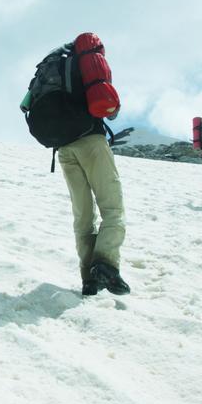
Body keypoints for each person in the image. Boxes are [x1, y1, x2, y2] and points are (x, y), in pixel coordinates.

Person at [55, 100, 129, 298]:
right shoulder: (86, 68)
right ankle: (105, 264)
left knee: (83, 215)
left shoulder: (45, 71)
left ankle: (89, 279)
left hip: (63, 149)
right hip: (91, 141)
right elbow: (109, 105)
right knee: (112, 208)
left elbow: (25, 107)